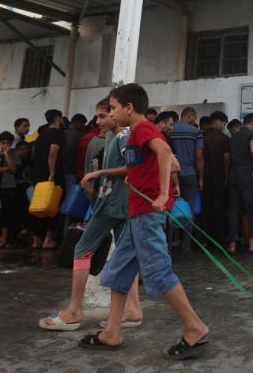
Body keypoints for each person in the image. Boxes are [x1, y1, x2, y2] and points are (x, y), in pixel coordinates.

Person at [79, 83, 209, 359]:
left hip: (147, 215)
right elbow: (171, 163)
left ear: (129, 108)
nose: (111, 114)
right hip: (137, 214)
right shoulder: (136, 134)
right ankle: (112, 332)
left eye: (113, 109)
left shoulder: (142, 129)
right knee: (118, 271)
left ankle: (194, 327)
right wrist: (138, 174)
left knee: (158, 271)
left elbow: (164, 154)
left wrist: (163, 191)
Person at [40, 97, 143, 331]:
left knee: (82, 249)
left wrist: (101, 174)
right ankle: (133, 309)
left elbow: (133, 166)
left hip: (112, 204)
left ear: (117, 113)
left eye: (103, 115)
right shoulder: (109, 136)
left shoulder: (123, 136)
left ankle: (75, 310)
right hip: (117, 204)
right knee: (125, 254)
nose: (97, 121)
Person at [168, 107, 204, 255]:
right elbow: (199, 157)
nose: (194, 122)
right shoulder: (196, 132)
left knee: (170, 209)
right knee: (189, 211)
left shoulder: (170, 130)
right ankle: (186, 247)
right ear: (188, 116)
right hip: (189, 173)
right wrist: (201, 177)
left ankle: (168, 246)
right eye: (194, 119)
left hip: (171, 174)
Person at [227, 113, 253, 253]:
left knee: (233, 208)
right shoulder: (251, 133)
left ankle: (232, 245)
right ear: (252, 123)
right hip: (247, 173)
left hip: (233, 174)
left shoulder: (234, 135)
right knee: (251, 207)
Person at [31, 109, 65, 249]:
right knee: (51, 205)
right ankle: (48, 239)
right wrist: (52, 173)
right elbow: (53, 152)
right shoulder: (57, 133)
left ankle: (36, 239)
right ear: (57, 119)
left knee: (38, 206)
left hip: (37, 173)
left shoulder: (41, 135)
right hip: (49, 173)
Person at [201, 111, 230, 245]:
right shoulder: (224, 138)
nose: (224, 127)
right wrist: (226, 176)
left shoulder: (201, 136)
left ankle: (206, 239)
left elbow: (198, 158)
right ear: (218, 122)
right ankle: (220, 238)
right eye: (224, 124)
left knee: (206, 208)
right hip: (219, 177)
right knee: (219, 207)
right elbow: (226, 160)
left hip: (204, 178)